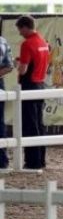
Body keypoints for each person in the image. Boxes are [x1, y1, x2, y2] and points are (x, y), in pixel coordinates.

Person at [15, 15, 50, 170]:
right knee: (39, 124)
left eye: (20, 29)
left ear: (25, 27)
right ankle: (41, 159)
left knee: (29, 125)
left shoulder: (27, 44)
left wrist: (17, 64)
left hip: (29, 86)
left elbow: (23, 69)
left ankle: (32, 162)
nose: (19, 33)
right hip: (40, 85)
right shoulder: (43, 42)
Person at [0, 29, 13, 169]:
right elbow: (9, 66)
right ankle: (2, 160)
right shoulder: (3, 42)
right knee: (0, 122)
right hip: (0, 82)